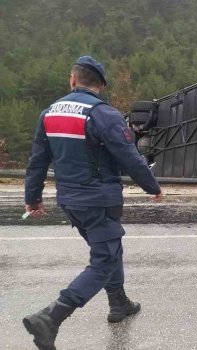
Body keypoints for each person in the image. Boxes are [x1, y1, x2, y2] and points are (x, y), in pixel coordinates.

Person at [22, 56, 162, 349]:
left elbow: (37, 162)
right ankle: (52, 317)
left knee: (110, 248)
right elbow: (129, 156)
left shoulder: (49, 113)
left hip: (71, 202)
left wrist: (32, 199)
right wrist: (152, 187)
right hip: (100, 200)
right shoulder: (103, 114)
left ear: (73, 80)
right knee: (104, 259)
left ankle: (119, 303)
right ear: (101, 85)